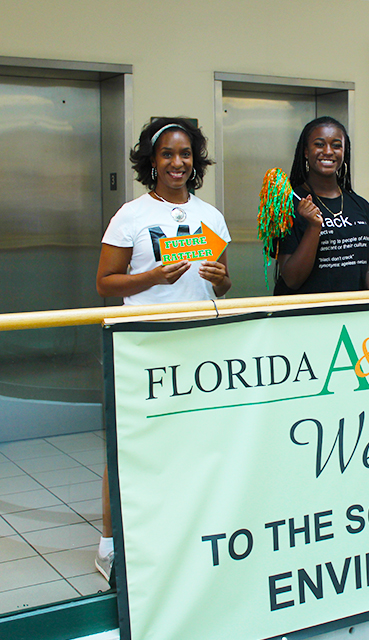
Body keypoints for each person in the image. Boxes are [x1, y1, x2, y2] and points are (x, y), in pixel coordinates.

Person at [94, 117, 231, 582]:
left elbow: (225, 282)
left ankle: (183, 534)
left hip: (198, 348)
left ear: (196, 161)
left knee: (193, 446)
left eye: (185, 154)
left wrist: (220, 279)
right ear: (151, 161)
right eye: (167, 154)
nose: (177, 163)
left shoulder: (209, 216)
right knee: (132, 445)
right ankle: (110, 544)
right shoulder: (131, 215)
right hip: (145, 346)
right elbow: (105, 283)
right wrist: (152, 276)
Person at [273, 116, 369, 295]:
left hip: (350, 317)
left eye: (337, 145)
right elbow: (292, 279)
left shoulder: (360, 205)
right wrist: (314, 227)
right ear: (306, 152)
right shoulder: (289, 204)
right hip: (306, 318)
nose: (328, 151)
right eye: (319, 144)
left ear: (344, 152)